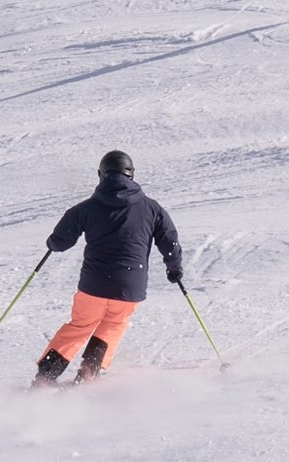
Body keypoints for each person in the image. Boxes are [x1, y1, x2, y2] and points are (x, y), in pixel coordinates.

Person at [34, 149, 183, 386]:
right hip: (130, 286)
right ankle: (90, 371)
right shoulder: (152, 208)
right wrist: (174, 267)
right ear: (131, 174)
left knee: (80, 326)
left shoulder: (86, 207)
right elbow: (169, 240)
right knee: (113, 324)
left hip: (94, 284)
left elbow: (61, 241)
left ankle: (45, 377)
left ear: (101, 175)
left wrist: (53, 243)